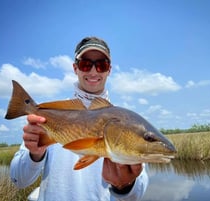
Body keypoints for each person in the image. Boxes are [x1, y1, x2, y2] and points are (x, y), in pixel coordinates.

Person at [10, 36, 149, 201]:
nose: (93, 71)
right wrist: (35, 154)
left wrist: (125, 185)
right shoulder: (48, 119)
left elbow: (137, 195)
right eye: (85, 64)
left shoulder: (126, 122)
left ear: (109, 70)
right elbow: (18, 180)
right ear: (75, 68)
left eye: (101, 65)